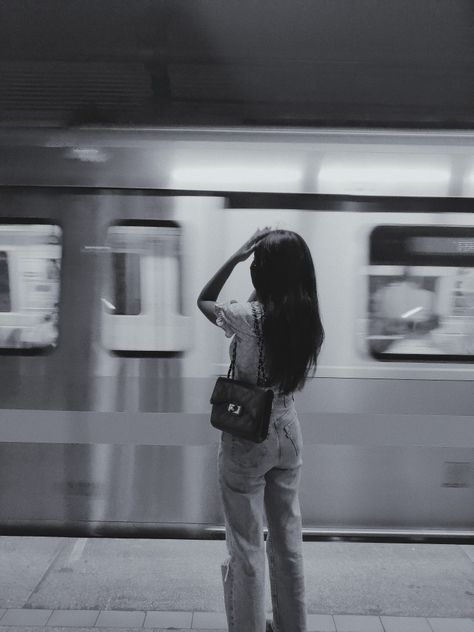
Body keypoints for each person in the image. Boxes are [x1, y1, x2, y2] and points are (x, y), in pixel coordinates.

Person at [197, 228, 324, 632]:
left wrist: (235, 256)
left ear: (262, 274)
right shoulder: (306, 317)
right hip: (288, 432)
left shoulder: (245, 318)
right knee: (288, 542)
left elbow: (203, 299)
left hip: (248, 434)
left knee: (247, 544)